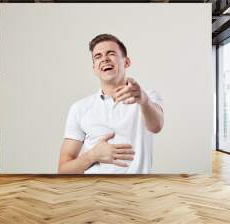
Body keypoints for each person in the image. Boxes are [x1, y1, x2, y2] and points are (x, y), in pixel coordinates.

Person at [58, 34, 164, 174]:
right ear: (94, 68)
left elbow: (156, 126)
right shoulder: (79, 108)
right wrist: (92, 155)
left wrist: (143, 100)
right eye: (98, 56)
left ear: (126, 62)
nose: (104, 59)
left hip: (135, 192)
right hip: (93, 193)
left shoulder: (147, 97)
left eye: (111, 53)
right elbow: (63, 171)